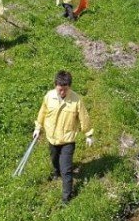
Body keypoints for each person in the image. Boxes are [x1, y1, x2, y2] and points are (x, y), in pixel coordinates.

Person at [33, 70, 94, 203]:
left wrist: (88, 134)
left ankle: (66, 198)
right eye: (60, 89)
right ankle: (56, 172)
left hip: (67, 140)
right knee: (55, 160)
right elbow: (42, 113)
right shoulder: (49, 97)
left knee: (66, 169)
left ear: (69, 87)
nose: (62, 93)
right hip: (52, 138)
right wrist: (38, 127)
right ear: (55, 85)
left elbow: (84, 118)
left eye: (65, 90)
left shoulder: (76, 100)